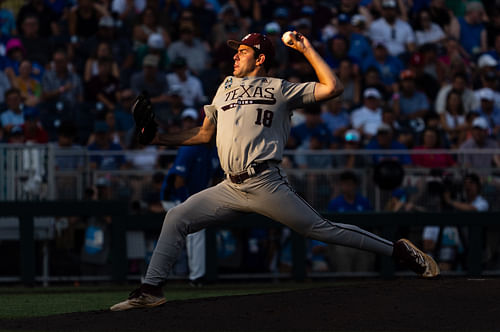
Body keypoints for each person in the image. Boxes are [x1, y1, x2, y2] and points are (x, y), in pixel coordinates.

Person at [110, 32, 439, 311]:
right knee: (176, 217)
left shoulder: (280, 88)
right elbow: (204, 134)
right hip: (229, 187)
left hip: (265, 181)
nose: (235, 55)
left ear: (260, 58)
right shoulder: (225, 86)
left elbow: (333, 87)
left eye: (242, 50)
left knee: (321, 229)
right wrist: (158, 139)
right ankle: (150, 291)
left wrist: (306, 50)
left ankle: (398, 250)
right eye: (236, 50)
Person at [160, 108, 220, 286]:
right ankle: (196, 277)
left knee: (194, 230)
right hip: (174, 197)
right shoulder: (191, 147)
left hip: (195, 197)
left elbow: (217, 177)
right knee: (195, 229)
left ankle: (195, 276)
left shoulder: (215, 149)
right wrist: (189, 205)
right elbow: (178, 181)